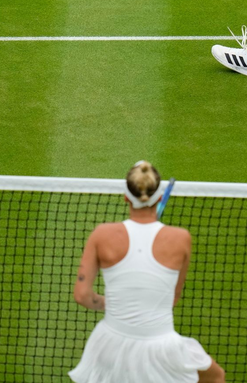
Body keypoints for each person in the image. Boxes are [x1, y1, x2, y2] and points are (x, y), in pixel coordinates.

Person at [70, 161, 225, 383]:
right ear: (160, 197)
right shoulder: (181, 238)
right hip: (162, 347)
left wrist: (112, 303)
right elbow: (172, 299)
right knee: (215, 377)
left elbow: (82, 295)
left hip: (110, 343)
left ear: (125, 197)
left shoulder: (101, 235)